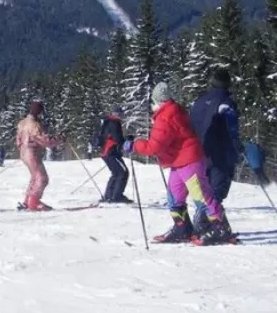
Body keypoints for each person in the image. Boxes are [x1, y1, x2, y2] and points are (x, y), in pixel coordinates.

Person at [125, 82, 234, 245]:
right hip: (179, 161)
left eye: (153, 101)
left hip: (190, 160)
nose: (152, 105)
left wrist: (134, 145)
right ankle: (182, 228)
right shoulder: (171, 110)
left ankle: (221, 229)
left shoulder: (166, 117)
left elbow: (154, 147)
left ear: (157, 100)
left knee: (202, 196)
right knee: (174, 196)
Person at [189, 68, 241, 230]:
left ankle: (205, 222)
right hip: (221, 152)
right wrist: (237, 148)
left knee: (206, 188)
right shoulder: (225, 102)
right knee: (217, 190)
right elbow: (231, 128)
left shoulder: (198, 102)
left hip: (200, 152)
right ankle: (206, 223)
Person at [16, 101, 59, 210]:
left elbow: (18, 140)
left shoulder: (22, 123)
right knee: (42, 178)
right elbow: (43, 140)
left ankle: (27, 201)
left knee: (35, 177)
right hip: (32, 152)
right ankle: (34, 202)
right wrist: (59, 139)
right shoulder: (34, 124)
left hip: (24, 152)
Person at [97, 107, 132, 203]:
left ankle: (109, 196)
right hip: (111, 152)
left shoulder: (107, 121)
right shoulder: (114, 122)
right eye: (119, 114)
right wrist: (128, 140)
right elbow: (117, 138)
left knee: (117, 173)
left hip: (107, 152)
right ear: (115, 114)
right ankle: (116, 196)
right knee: (122, 172)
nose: (121, 116)